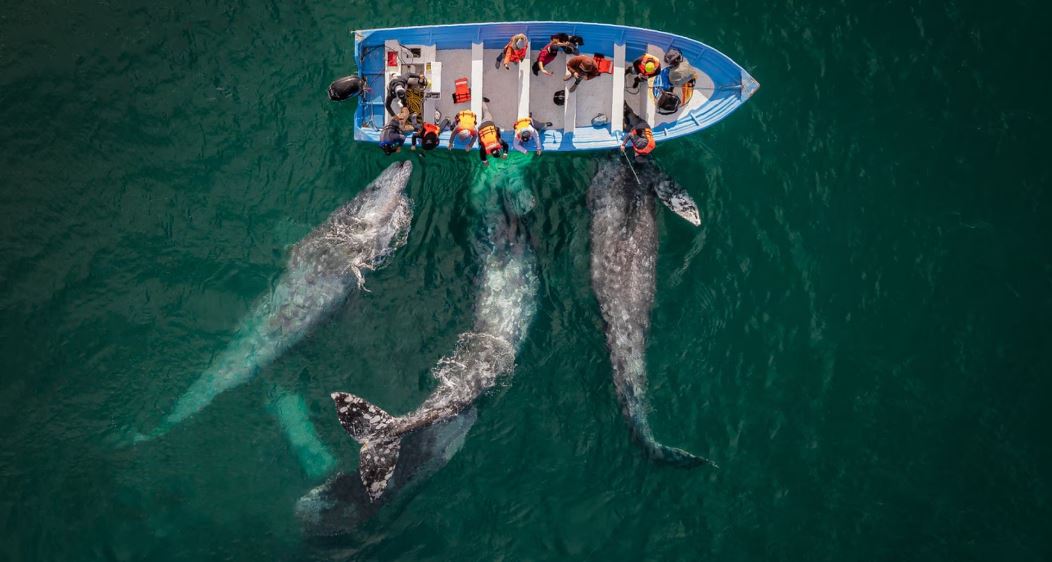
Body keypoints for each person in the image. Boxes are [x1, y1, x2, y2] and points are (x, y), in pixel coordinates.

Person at [476, 100, 508, 165]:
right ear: (491, 153)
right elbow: (482, 155)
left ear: (499, 150)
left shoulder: (498, 142)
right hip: (479, 127)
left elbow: (506, 145)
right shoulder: (485, 149)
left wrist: (505, 153)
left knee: (486, 111)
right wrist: (485, 161)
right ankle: (479, 101)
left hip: (488, 122)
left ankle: (482, 101)